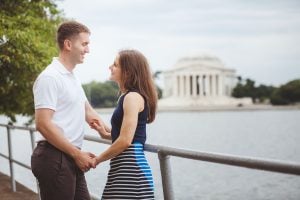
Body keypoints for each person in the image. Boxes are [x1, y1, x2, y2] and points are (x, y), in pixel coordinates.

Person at [31, 21, 110, 200]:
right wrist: (77, 154)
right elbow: (42, 124)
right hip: (54, 156)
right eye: (84, 44)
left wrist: (120, 136)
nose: (87, 50)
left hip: (69, 155)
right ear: (68, 44)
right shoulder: (50, 77)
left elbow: (89, 113)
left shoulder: (71, 77)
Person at [90, 49, 158, 199]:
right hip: (123, 168)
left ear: (127, 72)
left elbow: (126, 141)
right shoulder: (126, 97)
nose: (110, 67)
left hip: (132, 171)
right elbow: (127, 137)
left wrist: (97, 159)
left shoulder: (132, 97)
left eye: (115, 65)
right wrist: (105, 134)